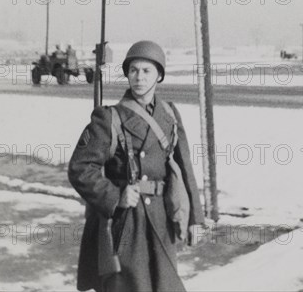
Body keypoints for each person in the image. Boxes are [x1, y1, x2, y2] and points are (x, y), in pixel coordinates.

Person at [68, 40, 205, 292]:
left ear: (159, 75)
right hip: (126, 222)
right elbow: (80, 168)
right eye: (133, 70)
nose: (139, 77)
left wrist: (195, 218)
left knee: (165, 285)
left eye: (146, 71)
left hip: (161, 219)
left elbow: (184, 168)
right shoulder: (109, 118)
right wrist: (115, 195)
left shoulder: (170, 114)